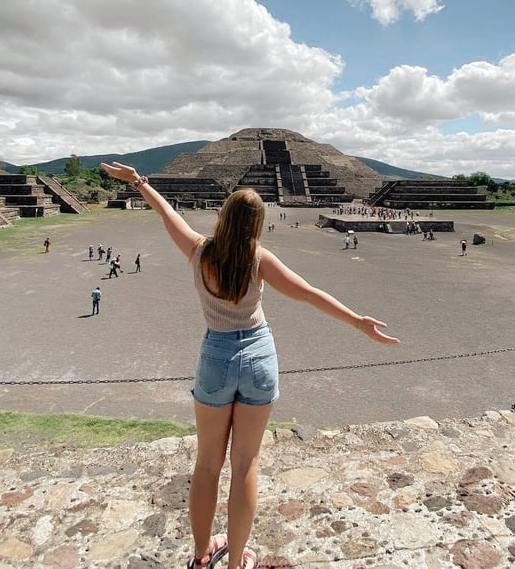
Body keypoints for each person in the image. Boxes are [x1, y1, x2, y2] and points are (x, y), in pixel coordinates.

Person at [101, 161, 399, 569]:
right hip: (259, 358)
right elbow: (309, 294)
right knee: (246, 465)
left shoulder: (199, 250)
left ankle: (201, 554)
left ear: (222, 216)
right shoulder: (260, 259)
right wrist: (358, 322)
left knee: (207, 464)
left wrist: (137, 181)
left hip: (216, 357)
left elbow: (167, 213)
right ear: (257, 224)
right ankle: (237, 561)